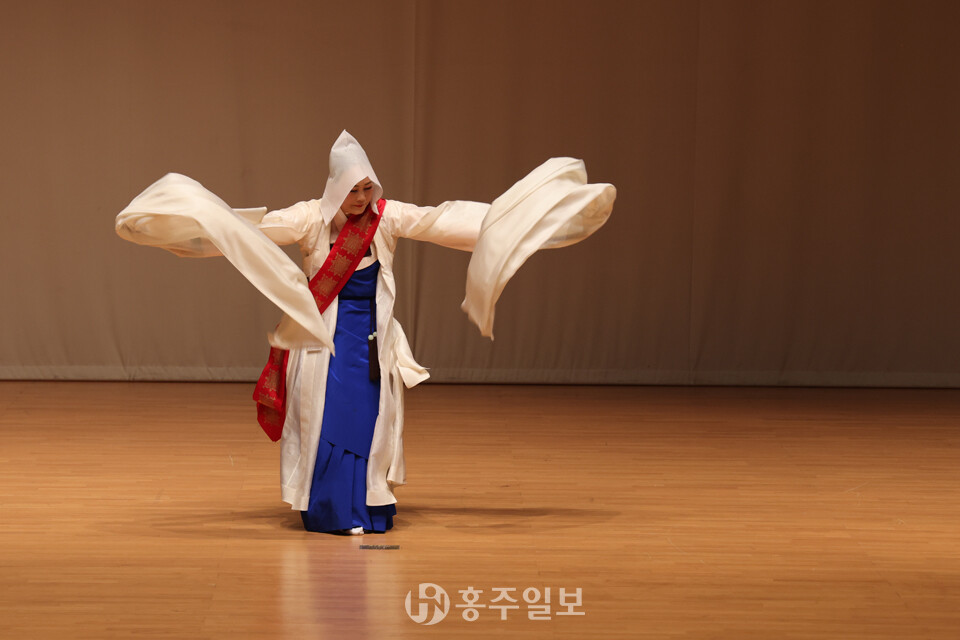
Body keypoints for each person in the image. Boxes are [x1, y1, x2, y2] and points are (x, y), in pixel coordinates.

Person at [116, 130, 615, 535]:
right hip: (324, 345)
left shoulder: (386, 217)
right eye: (352, 191)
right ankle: (329, 512)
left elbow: (446, 221)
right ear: (336, 188)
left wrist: (524, 226)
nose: (360, 200)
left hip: (371, 342)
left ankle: (369, 507)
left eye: (366, 190)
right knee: (328, 422)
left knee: (369, 422)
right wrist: (196, 227)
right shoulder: (309, 219)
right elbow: (250, 234)